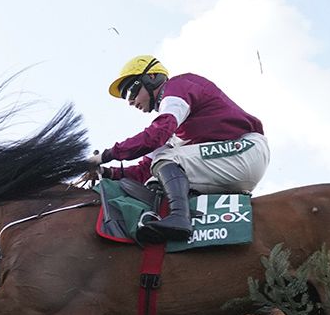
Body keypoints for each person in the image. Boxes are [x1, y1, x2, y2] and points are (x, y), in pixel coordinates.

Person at [89, 55, 270, 243]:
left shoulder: (177, 87)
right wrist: (107, 172)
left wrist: (106, 155)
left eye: (131, 91)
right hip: (231, 161)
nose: (131, 101)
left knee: (167, 159)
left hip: (246, 150)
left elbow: (155, 135)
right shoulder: (174, 122)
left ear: (152, 78)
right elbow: (144, 170)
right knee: (155, 177)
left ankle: (179, 218)